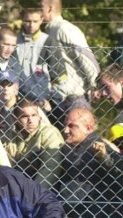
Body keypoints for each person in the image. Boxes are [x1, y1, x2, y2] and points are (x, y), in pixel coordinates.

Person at [58, 108, 123, 218]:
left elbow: (118, 173)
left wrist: (105, 158)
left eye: (72, 126)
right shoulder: (69, 149)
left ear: (88, 128)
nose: (66, 130)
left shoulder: (98, 147)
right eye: (65, 125)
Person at [40, 0, 100, 129]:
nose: (38, 11)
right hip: (56, 100)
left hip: (74, 99)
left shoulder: (64, 29)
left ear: (50, 8)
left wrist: (96, 85)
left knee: (78, 143)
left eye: (41, 7)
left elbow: (86, 58)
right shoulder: (48, 31)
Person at [15, 7, 67, 113]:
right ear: (21, 19)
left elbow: (59, 76)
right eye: (27, 21)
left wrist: (52, 100)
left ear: (42, 19)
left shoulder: (49, 42)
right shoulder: (14, 40)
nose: (31, 25)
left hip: (42, 100)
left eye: (35, 21)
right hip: (16, 97)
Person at [4, 99, 64, 189]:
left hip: (43, 190)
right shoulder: (10, 136)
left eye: (34, 115)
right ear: (14, 118)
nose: (30, 120)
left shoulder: (49, 133)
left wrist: (34, 193)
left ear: (39, 116)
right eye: (24, 116)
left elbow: (50, 168)